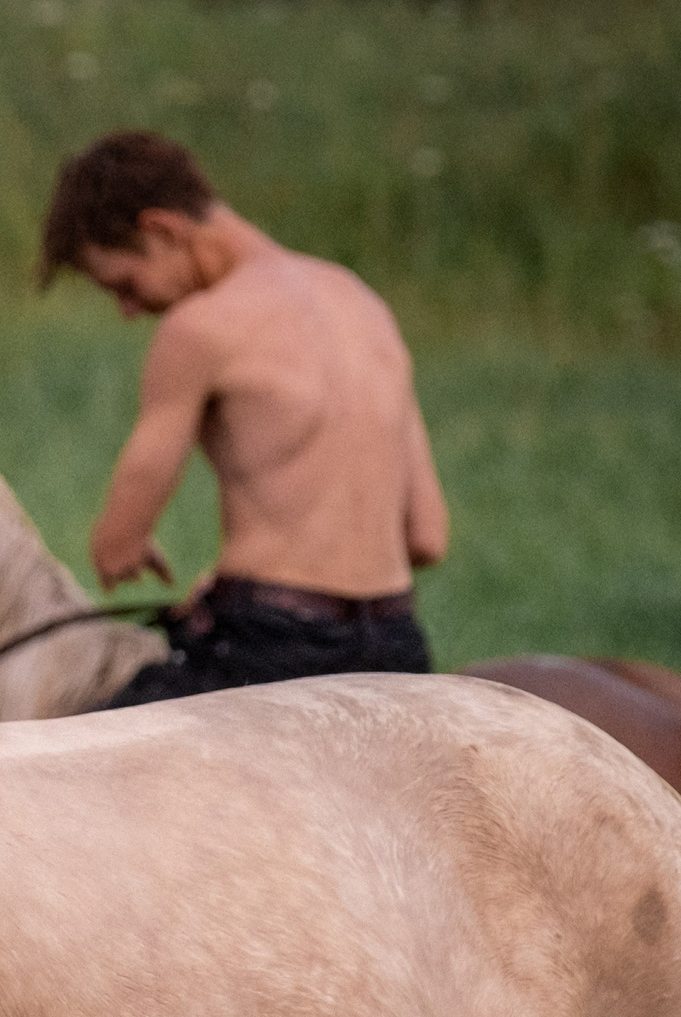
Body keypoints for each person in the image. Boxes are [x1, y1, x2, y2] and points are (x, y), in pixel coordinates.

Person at [37, 130, 450, 703]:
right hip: (398, 648)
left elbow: (115, 549)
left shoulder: (201, 328)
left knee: (83, 761)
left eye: (125, 285)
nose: (129, 312)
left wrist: (129, 544)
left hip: (270, 651)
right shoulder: (362, 302)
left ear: (162, 230)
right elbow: (428, 536)